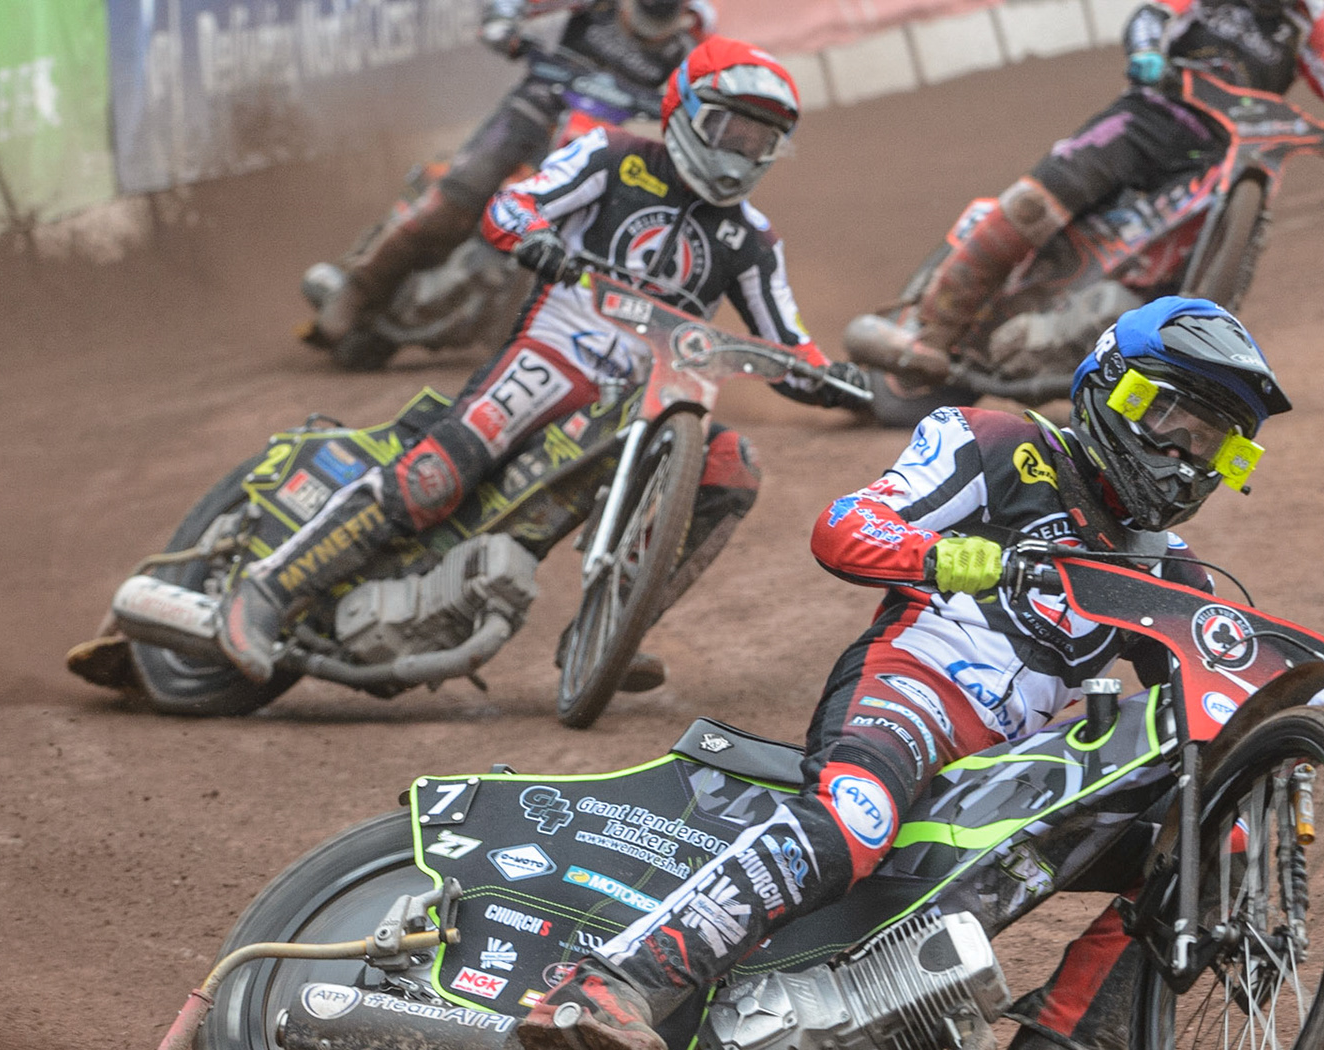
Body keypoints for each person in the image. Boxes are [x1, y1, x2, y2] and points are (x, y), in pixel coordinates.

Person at [520, 296, 1324, 1050]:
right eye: (1176, 424)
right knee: (854, 817)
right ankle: (611, 983)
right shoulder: (999, 442)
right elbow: (843, 529)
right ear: (1116, 391)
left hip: (1012, 762)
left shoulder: (1167, 570)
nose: (1188, 459)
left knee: (1208, 841)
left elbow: (1230, 684)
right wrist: (937, 554)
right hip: (913, 686)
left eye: (1215, 445)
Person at [219, 37, 868, 686]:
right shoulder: (613, 156)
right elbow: (511, 205)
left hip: (644, 401)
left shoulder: (751, 240)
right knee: (435, 478)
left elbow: (789, 346)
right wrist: (534, 239)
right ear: (687, 112)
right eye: (731, 129)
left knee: (733, 467)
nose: (741, 153)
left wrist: (831, 377)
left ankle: (612, 624)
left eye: (760, 141)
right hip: (554, 355)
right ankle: (268, 590)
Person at [903, 0, 1324, 377]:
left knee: (1193, 255)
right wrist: (1145, 51)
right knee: (1035, 204)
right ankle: (938, 329)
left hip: (1223, 151)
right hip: (1150, 117)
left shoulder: (1307, 20)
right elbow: (1153, 13)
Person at [307, 0, 717, 360]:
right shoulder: (596, 6)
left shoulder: (694, 33)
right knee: (455, 200)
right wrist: (503, 24)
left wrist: (692, 112)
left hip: (593, 142)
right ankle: (357, 289)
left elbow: (713, 89)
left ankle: (546, 326)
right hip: (534, 108)